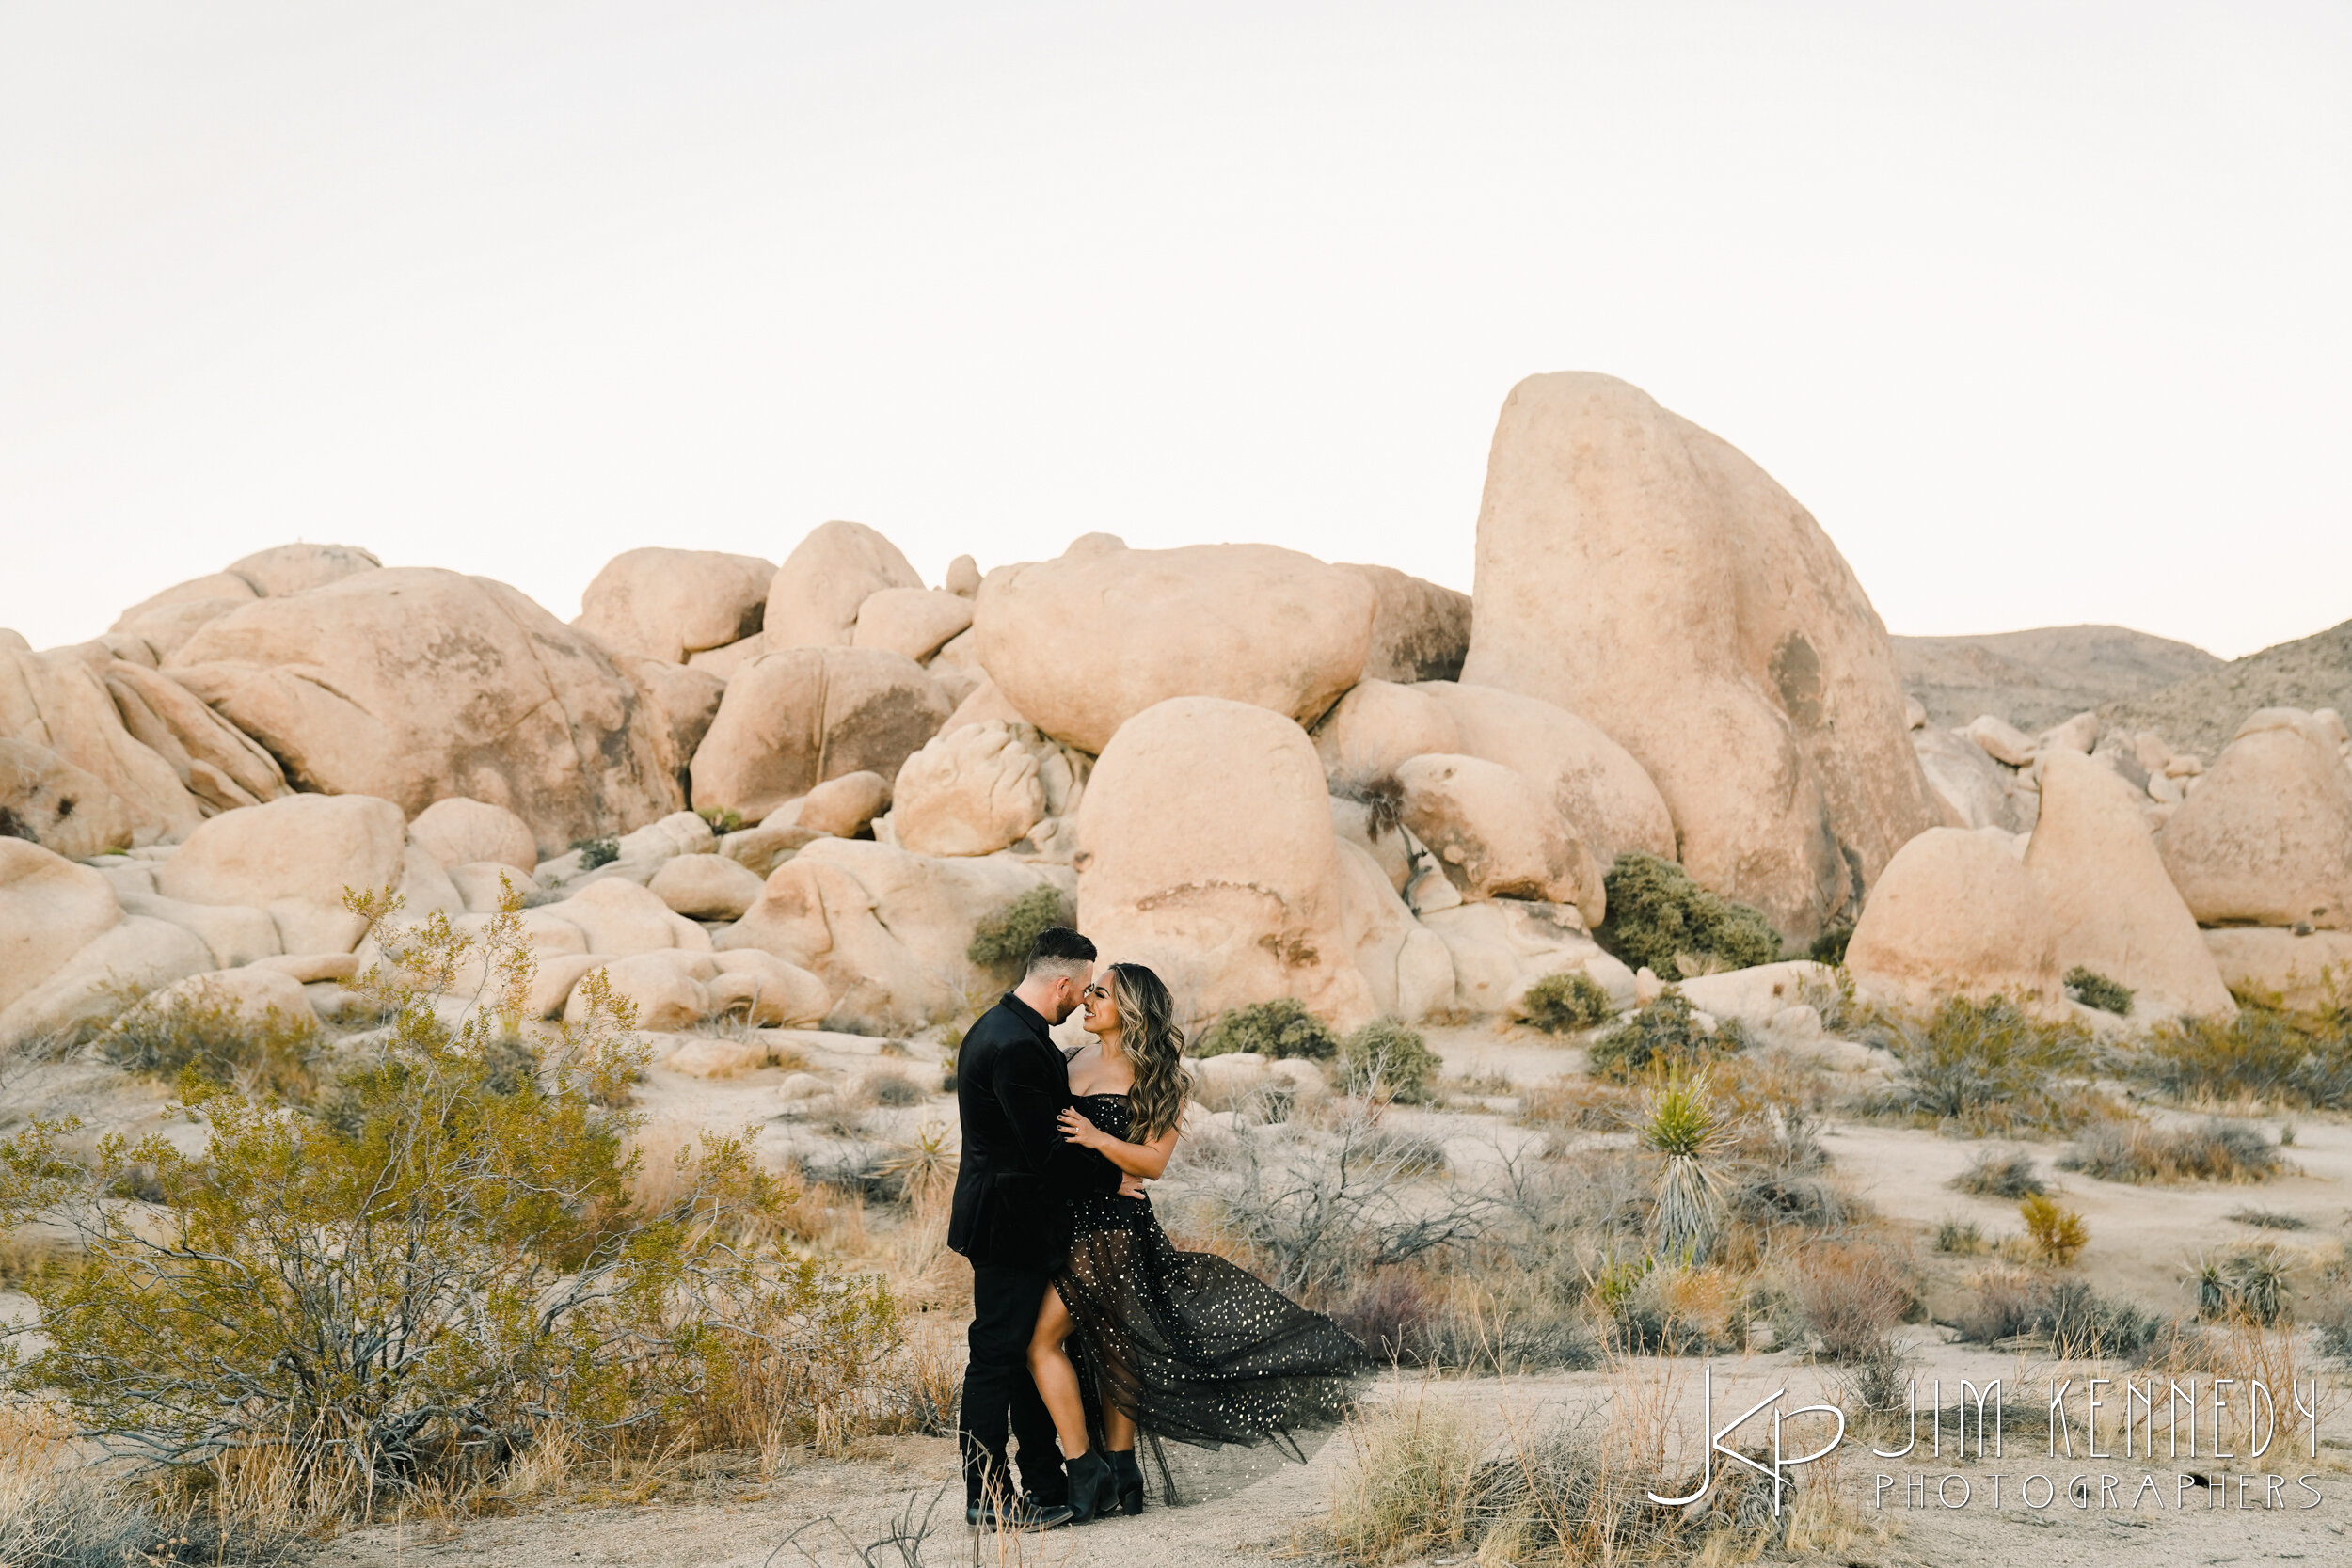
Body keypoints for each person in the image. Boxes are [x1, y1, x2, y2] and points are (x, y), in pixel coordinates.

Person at [1026, 962, 1375, 1524]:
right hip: (1065, 1219)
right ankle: (1119, 1473)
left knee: (1054, 1341)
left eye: (1101, 993)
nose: (1087, 1000)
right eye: (1088, 990)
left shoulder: (1159, 1078)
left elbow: (1154, 1165)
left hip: (1116, 1226)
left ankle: (1093, 1469)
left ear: (1132, 1008)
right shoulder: (1069, 1060)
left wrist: (1096, 1138)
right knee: (1110, 1346)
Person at [946, 926, 1134, 1531]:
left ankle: (1048, 1484)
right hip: (1009, 1226)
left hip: (1018, 1221)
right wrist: (1115, 1182)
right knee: (995, 1360)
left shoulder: (1005, 1029)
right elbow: (1045, 1152)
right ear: (1061, 981)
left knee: (1023, 1356)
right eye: (1081, 990)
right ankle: (985, 1493)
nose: (1083, 1001)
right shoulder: (1017, 1045)